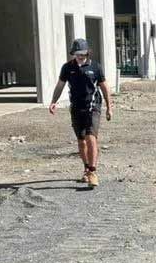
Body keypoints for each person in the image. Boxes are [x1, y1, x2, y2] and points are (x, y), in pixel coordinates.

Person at [48, 38, 113, 186]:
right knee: (81, 140)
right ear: (73, 54)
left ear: (87, 52)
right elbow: (60, 86)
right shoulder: (67, 67)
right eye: (77, 53)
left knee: (91, 137)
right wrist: (53, 101)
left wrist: (109, 107)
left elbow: (104, 87)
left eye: (83, 53)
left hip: (93, 106)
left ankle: (93, 172)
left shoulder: (95, 67)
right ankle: (86, 169)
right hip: (76, 107)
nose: (80, 56)